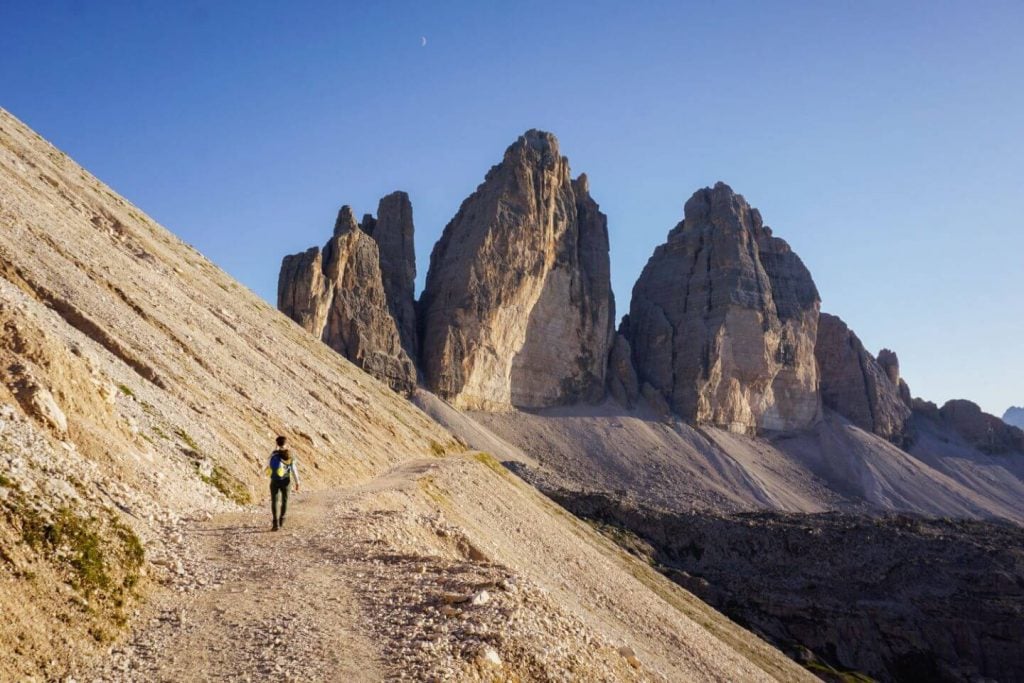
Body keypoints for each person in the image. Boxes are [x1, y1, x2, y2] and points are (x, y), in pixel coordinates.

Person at [266, 435, 299, 531]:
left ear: (277, 443)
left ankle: (275, 523)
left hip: (274, 480)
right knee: (285, 501)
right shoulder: (289, 455)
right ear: (286, 443)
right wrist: (297, 482)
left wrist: (275, 449)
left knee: (274, 501)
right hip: (286, 481)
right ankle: (282, 520)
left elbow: (268, 465)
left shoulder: (273, 454)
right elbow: (293, 469)